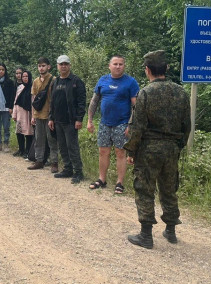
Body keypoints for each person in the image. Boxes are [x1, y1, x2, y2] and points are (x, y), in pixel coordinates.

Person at [124, 50, 191, 249]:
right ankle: (170, 230)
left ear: (147, 70)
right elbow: (186, 125)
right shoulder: (181, 92)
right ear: (166, 69)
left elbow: (138, 126)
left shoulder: (145, 93)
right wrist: (179, 146)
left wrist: (131, 151)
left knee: (145, 189)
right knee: (169, 188)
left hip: (149, 149)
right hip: (171, 149)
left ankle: (146, 235)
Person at [87, 55, 139, 194]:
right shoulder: (103, 80)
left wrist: (130, 125)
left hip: (122, 123)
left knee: (120, 152)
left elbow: (136, 106)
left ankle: (119, 183)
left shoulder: (130, 82)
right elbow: (94, 101)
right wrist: (89, 121)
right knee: (103, 151)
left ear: (124, 66)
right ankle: (102, 179)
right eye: (115, 64)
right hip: (105, 123)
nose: (118, 66)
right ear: (109, 66)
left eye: (121, 64)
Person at [48, 55, 86, 184]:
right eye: (61, 64)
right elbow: (52, 102)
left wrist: (79, 119)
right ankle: (67, 169)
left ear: (69, 65)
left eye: (66, 64)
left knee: (72, 146)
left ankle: (78, 172)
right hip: (57, 120)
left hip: (71, 120)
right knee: (62, 146)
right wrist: (51, 118)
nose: (63, 66)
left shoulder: (76, 81)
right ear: (57, 66)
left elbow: (81, 102)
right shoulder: (56, 81)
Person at [28, 57, 58, 172]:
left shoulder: (54, 80)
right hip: (38, 114)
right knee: (38, 139)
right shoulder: (35, 81)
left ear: (49, 67)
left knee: (52, 140)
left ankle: (54, 162)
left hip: (50, 115)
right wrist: (32, 116)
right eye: (39, 66)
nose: (41, 68)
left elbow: (55, 100)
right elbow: (34, 100)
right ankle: (39, 161)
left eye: (43, 66)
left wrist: (53, 116)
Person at [12, 70, 34, 158]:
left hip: (28, 113)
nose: (25, 78)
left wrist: (34, 116)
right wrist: (14, 114)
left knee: (28, 133)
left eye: (26, 76)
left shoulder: (32, 87)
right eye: (23, 76)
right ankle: (21, 149)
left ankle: (28, 151)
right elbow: (16, 101)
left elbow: (33, 101)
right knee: (19, 132)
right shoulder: (20, 87)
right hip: (19, 113)